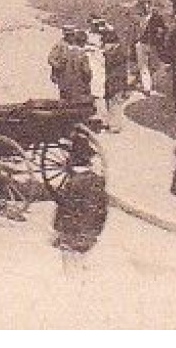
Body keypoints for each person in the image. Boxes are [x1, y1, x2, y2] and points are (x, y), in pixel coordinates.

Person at [51, 130, 108, 273]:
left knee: (69, 263)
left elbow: (64, 210)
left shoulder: (73, 183)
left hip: (73, 236)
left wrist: (57, 232)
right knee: (81, 260)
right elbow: (103, 211)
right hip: (92, 234)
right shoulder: (98, 181)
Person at [97, 19, 129, 133]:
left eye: (106, 44)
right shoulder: (118, 50)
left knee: (115, 104)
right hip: (112, 81)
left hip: (116, 82)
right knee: (111, 103)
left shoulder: (117, 53)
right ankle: (113, 124)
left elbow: (110, 63)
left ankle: (115, 126)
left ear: (112, 44)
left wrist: (104, 54)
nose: (104, 46)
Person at [49, 28, 93, 105]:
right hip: (78, 84)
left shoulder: (67, 51)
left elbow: (54, 61)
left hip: (64, 82)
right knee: (79, 104)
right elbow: (86, 71)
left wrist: (57, 70)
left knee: (65, 101)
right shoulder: (82, 54)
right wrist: (88, 79)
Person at [134, 0, 166, 95]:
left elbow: (163, 30)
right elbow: (135, 31)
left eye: (148, 7)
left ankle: (153, 84)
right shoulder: (138, 19)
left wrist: (159, 36)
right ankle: (147, 87)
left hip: (153, 45)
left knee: (154, 65)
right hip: (141, 44)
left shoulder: (157, 18)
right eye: (144, 7)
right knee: (143, 66)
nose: (146, 9)